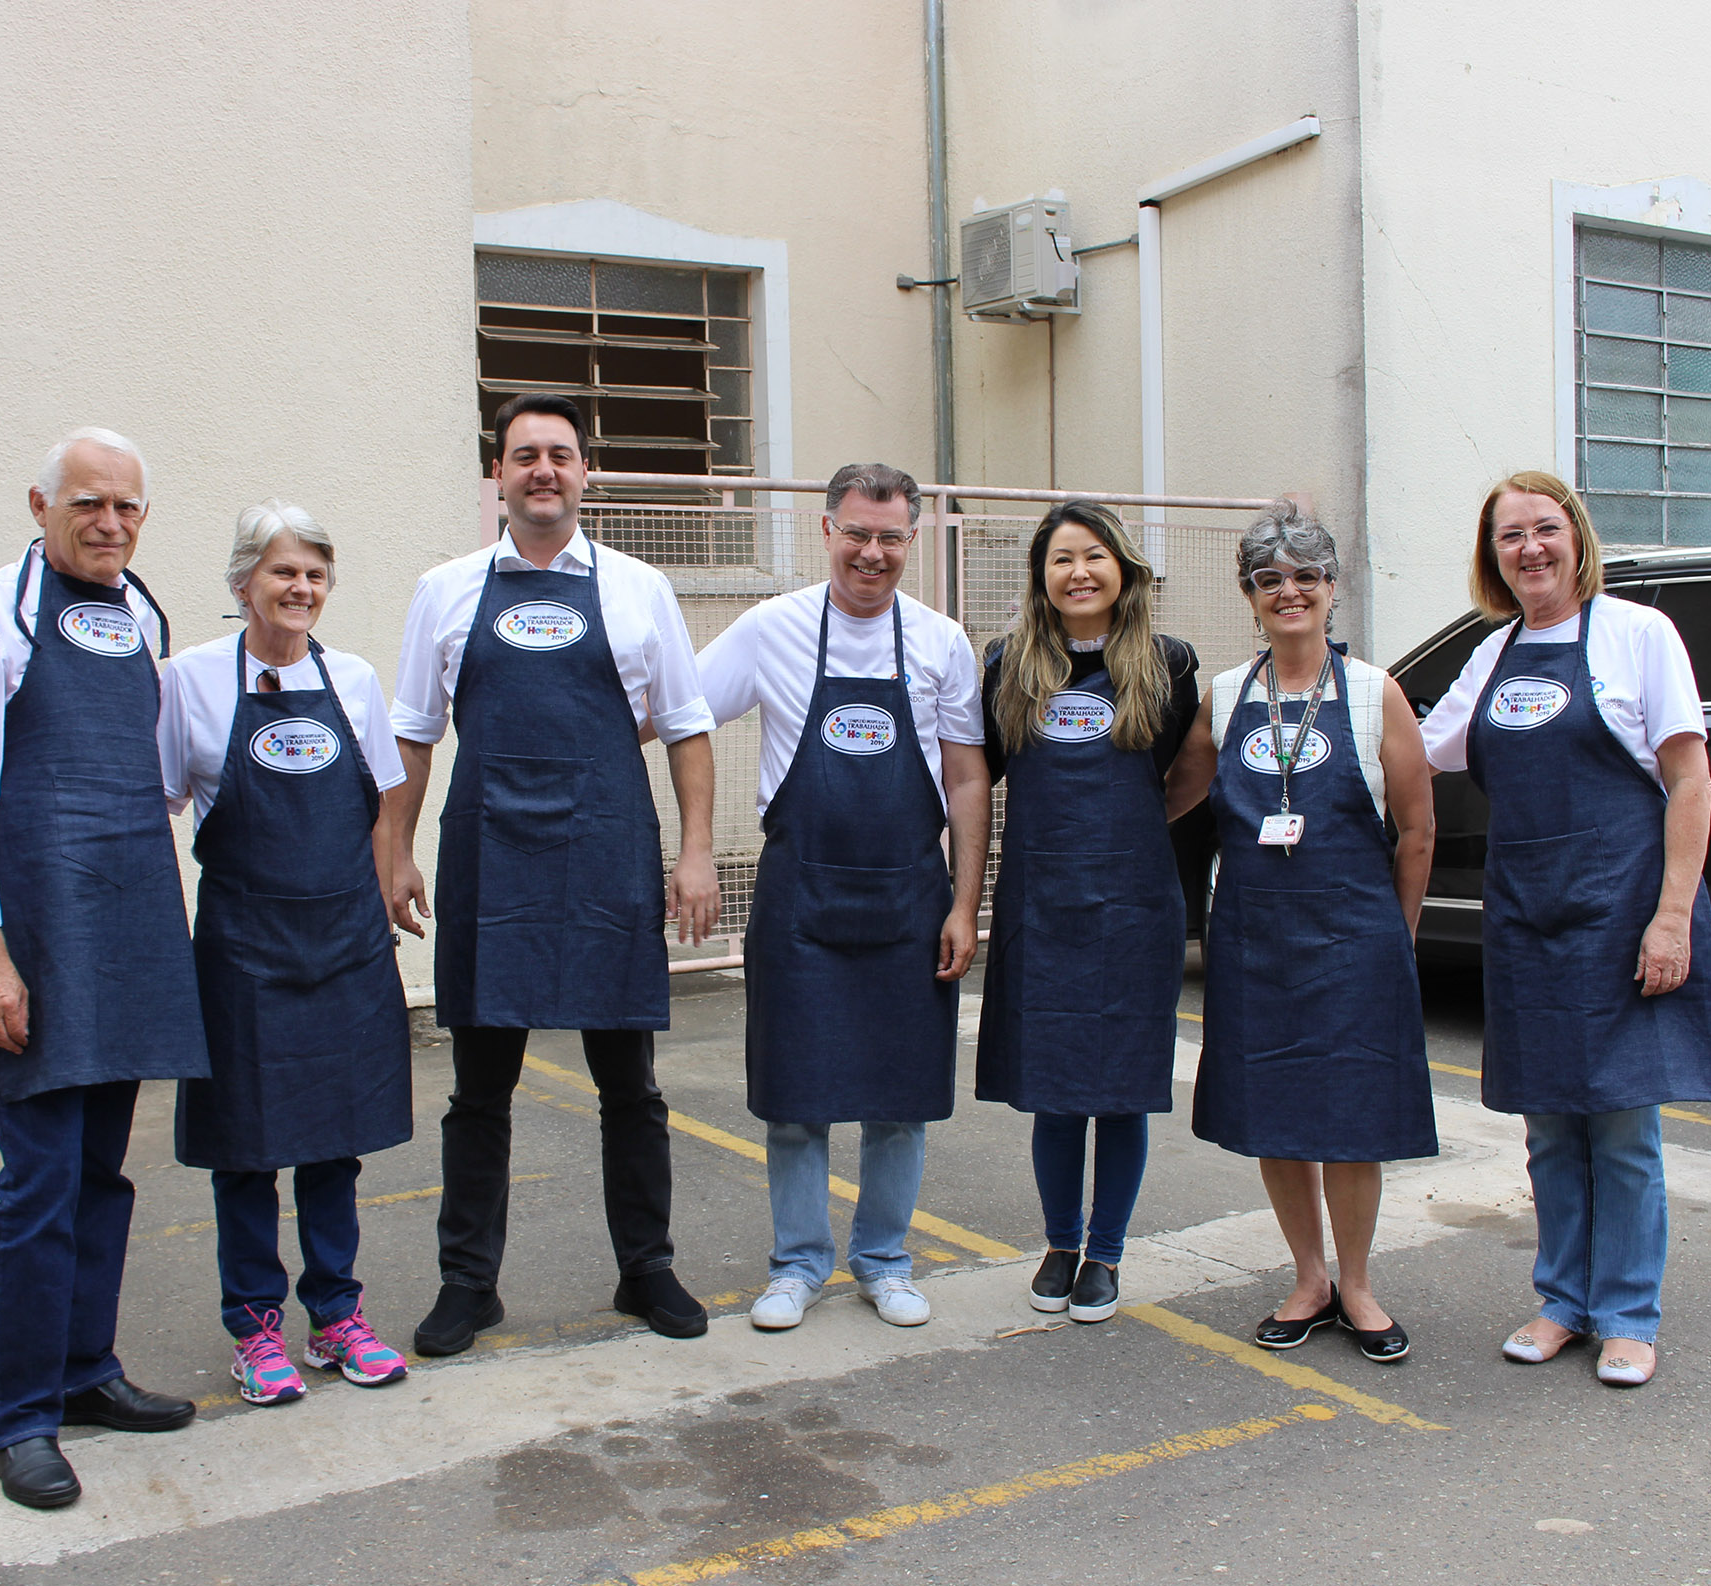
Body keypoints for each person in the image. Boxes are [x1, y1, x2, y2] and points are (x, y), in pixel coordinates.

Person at [384, 393, 721, 1355]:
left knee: (633, 1088)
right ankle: (468, 1284)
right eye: (524, 454)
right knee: (479, 1092)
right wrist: (395, 849)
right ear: (496, 474)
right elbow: (413, 732)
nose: (543, 469)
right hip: (491, 862)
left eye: (560, 455)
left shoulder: (639, 587)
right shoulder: (444, 589)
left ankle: (646, 1268)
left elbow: (688, 729)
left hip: (608, 858)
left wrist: (695, 854)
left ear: (586, 474)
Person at [0, 428, 208, 1510]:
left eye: (129, 508)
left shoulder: (140, 618)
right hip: (36, 937)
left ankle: (88, 1373)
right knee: (38, 1182)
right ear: (39, 501)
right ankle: (20, 1417)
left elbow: (161, 778)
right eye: (90, 504)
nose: (111, 525)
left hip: (129, 925)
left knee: (103, 1176)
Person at [1419, 470, 1711, 1388]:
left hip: (1624, 910)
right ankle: (1562, 1301)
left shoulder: (1638, 635)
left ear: (1576, 537)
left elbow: (1691, 782)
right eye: (1510, 537)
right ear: (1492, 556)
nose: (1530, 550)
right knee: (1549, 1126)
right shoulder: (1494, 652)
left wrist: (1671, 917)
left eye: (1544, 530)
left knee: (1623, 1126)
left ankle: (1629, 1312)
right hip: (1529, 918)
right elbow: (1421, 749)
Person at [698, 462, 991, 1331]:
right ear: (827, 531)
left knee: (899, 1103)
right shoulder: (770, 629)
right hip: (800, 902)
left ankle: (885, 1261)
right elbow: (673, 711)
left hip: (910, 898)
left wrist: (965, 905)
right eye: (857, 532)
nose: (873, 552)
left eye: (891, 536)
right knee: (797, 1101)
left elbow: (969, 781)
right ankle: (797, 1266)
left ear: (912, 540)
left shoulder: (942, 641)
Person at [1165, 501, 1438, 1361]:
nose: (1290, 593)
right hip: (1254, 943)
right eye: (1270, 581)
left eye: (1306, 578)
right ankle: (1307, 1276)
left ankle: (1357, 1284)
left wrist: (1396, 934)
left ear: (1332, 589)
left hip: (1356, 941)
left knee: (1352, 1117)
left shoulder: (1372, 691)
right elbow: (1176, 796)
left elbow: (1419, 827)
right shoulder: (1223, 695)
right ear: (1249, 595)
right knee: (1277, 1115)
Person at [158, 500, 413, 1406]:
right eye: (282, 572)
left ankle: (337, 1316)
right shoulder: (188, 682)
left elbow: (383, 802)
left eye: (314, 574)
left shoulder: (353, 680)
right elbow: (159, 812)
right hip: (243, 949)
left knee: (335, 1143)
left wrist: (395, 883)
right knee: (246, 1147)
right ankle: (255, 1326)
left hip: (344, 943)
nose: (300, 588)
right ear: (243, 586)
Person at [976, 500, 1199, 1324]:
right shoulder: (1008, 665)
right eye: (1062, 557)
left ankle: (1106, 1252)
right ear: (1041, 576)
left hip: (1134, 905)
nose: (1079, 572)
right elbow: (980, 774)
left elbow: (1185, 776)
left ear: (1124, 567)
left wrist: (1124, 833)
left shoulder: (1169, 664)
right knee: (1057, 1086)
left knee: (1123, 1088)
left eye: (1095, 555)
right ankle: (1060, 1242)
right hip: (1042, 904)